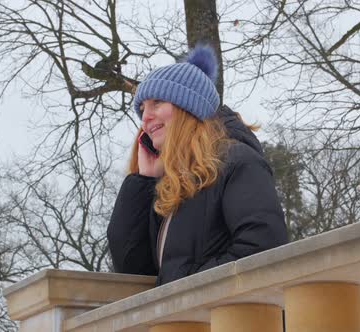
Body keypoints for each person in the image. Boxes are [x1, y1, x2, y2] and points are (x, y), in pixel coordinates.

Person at [107, 45, 288, 286]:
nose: (145, 117)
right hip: (182, 321)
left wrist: (185, 294)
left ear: (188, 106)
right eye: (142, 109)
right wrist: (142, 182)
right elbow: (133, 271)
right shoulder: (171, 186)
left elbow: (263, 248)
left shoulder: (237, 162)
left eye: (157, 102)